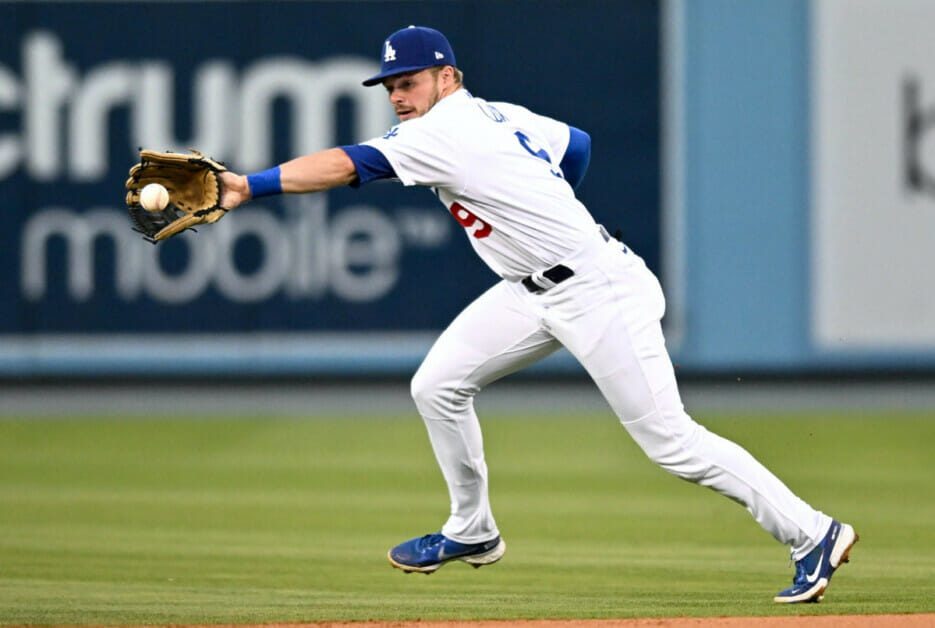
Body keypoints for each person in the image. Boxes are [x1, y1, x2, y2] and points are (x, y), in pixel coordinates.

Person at [217, 26, 857, 603]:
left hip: (599, 291)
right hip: (530, 290)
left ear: (447, 77)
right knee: (437, 386)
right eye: (390, 87)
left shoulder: (441, 132)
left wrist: (250, 185)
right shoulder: (499, 114)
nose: (398, 96)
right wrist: (542, 205)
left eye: (408, 82)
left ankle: (813, 532)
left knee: (672, 443)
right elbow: (575, 146)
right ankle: (472, 529)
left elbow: (344, 165)